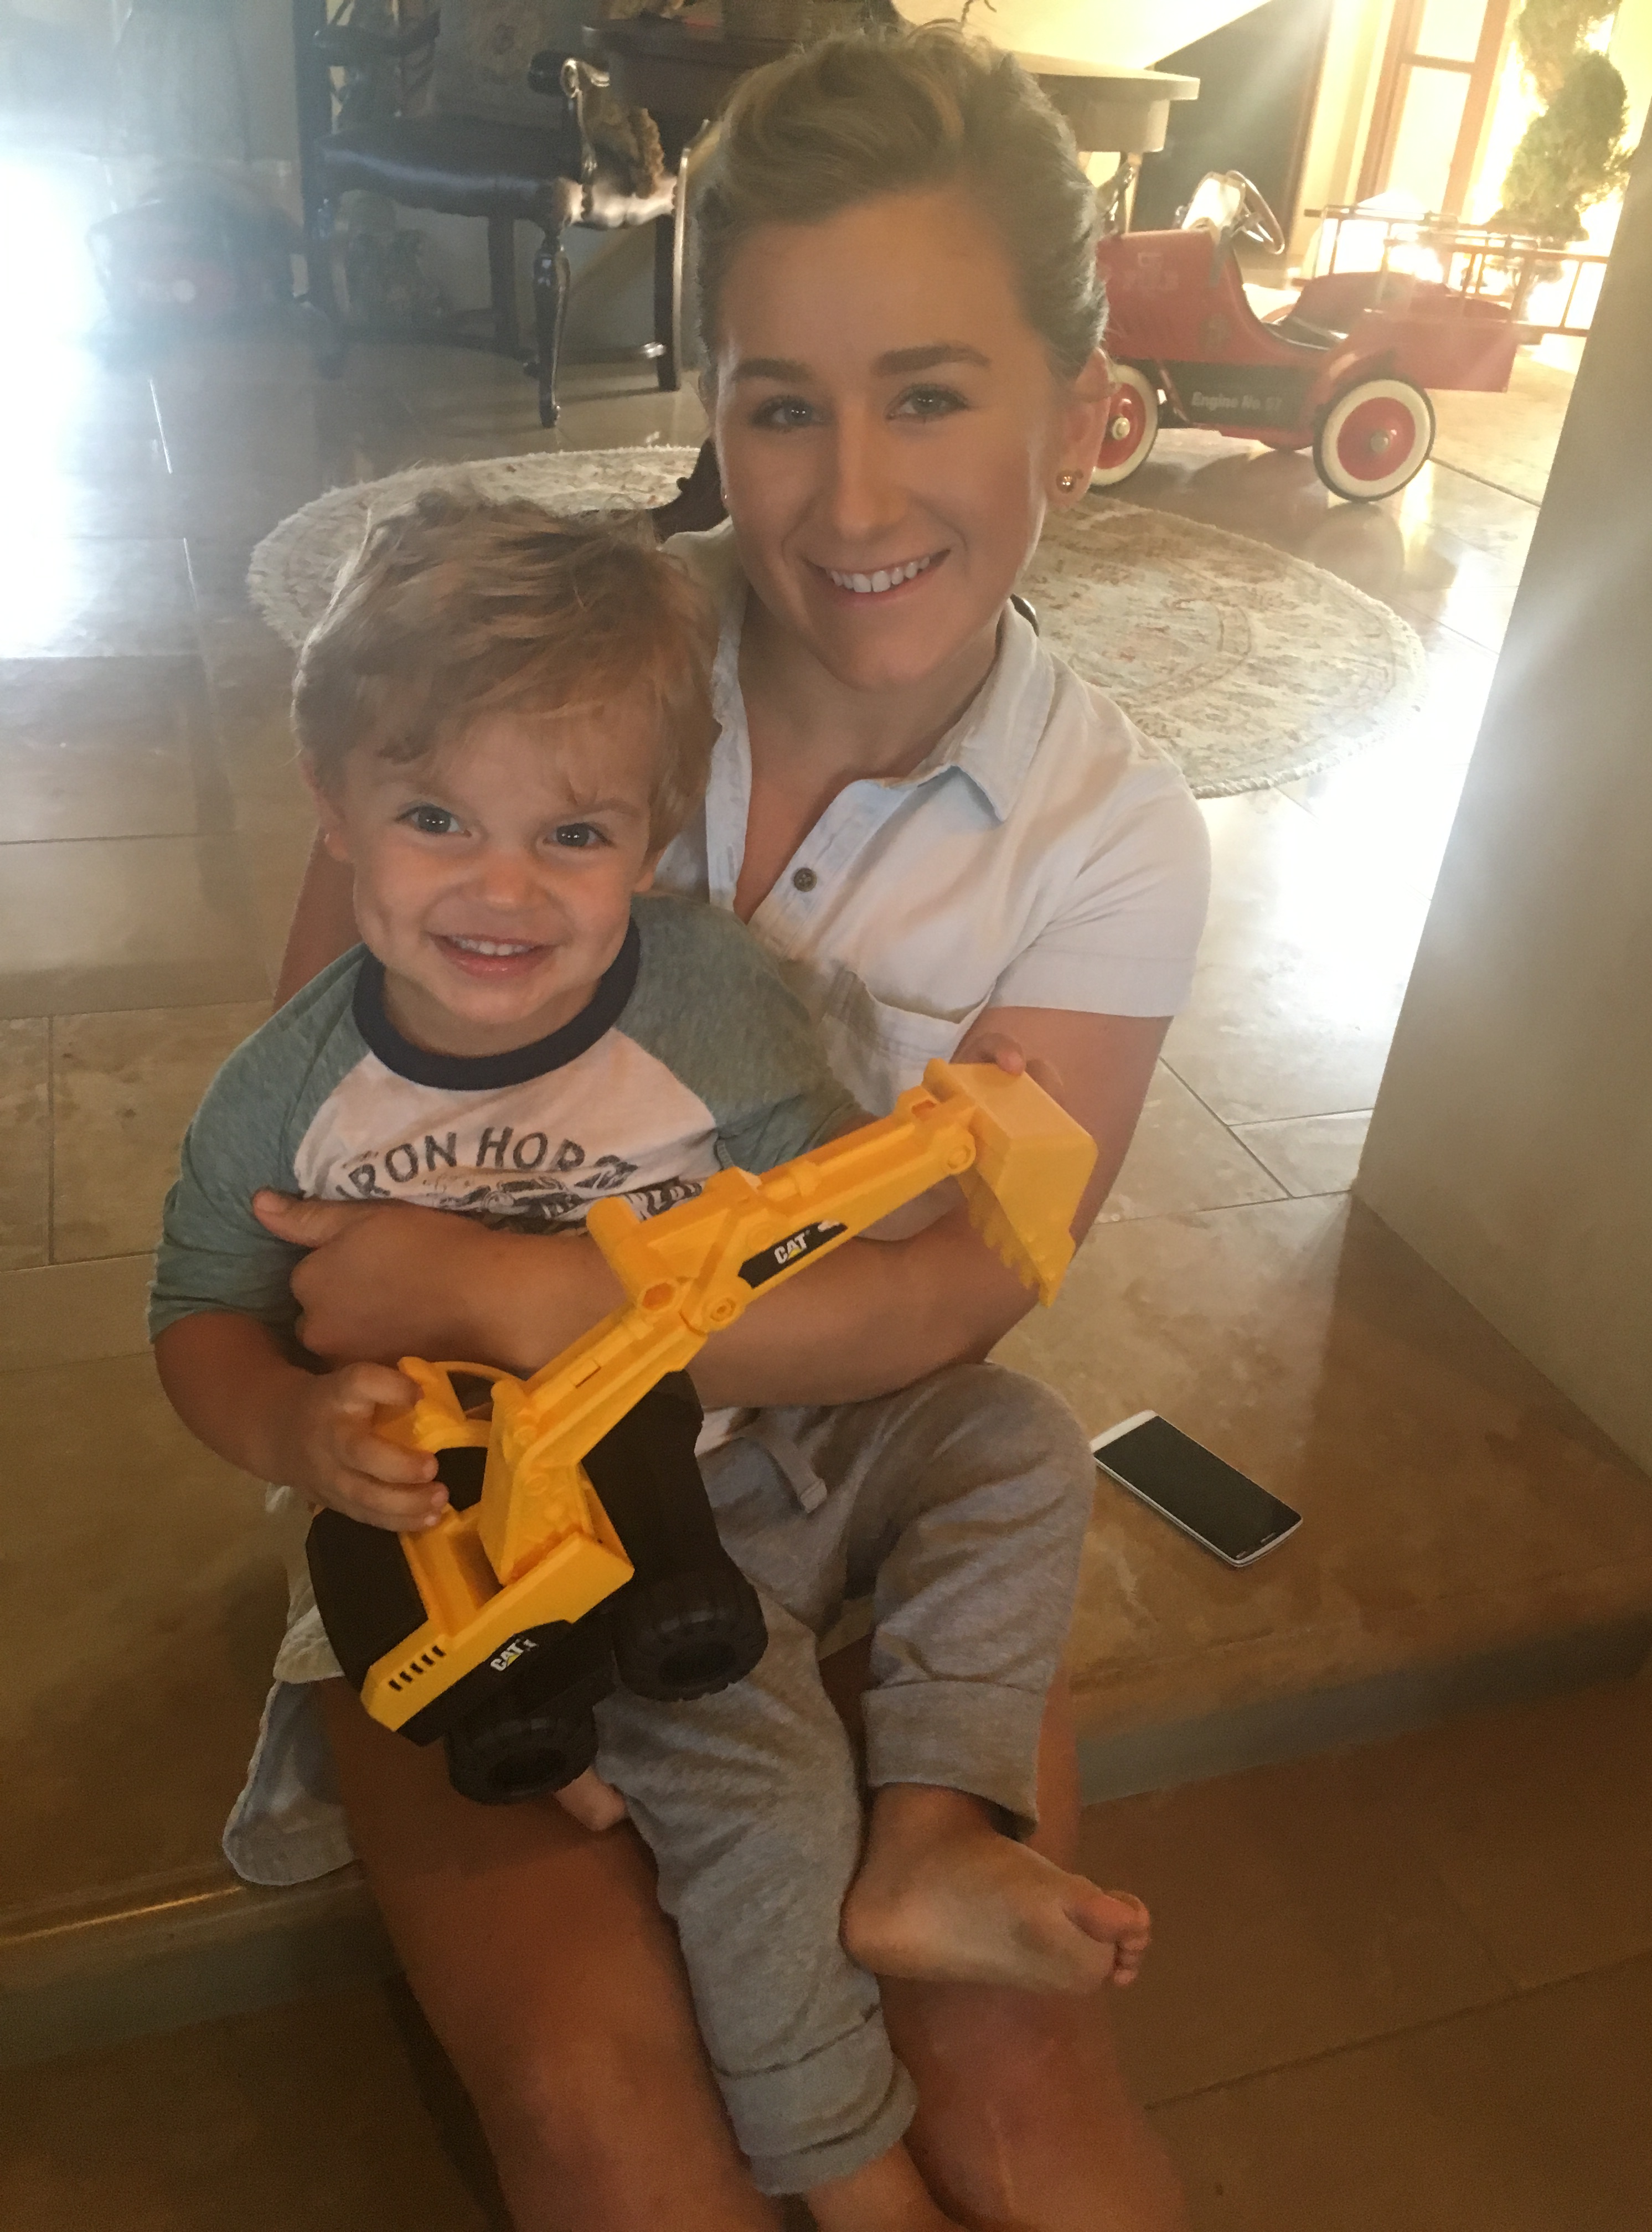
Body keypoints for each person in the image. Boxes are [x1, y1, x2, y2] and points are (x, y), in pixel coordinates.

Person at [255, 27, 1211, 2232]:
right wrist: (456, 1378)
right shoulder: (501, 686)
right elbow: (310, 1161)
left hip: (844, 1494)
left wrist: (537, 1283)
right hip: (489, 1505)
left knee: (1020, 2084)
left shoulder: (1114, 837)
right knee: (623, 2136)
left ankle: (905, 1852)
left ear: (1083, 411)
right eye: (784, 405)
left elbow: (966, 1287)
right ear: (709, 406)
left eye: (932, 394)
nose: (854, 502)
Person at [152, 493, 1153, 2229]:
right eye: (435, 819)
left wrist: (903, 1174)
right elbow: (200, 1316)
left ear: (652, 832)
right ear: (334, 807)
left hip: (773, 1439)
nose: (501, 888)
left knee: (1018, 1440)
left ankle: (935, 1831)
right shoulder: (291, 1095)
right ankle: (851, 2172)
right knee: (767, 1792)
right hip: (572, 1542)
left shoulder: (714, 1006)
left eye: (573, 833)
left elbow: (819, 1232)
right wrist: (298, 1426)